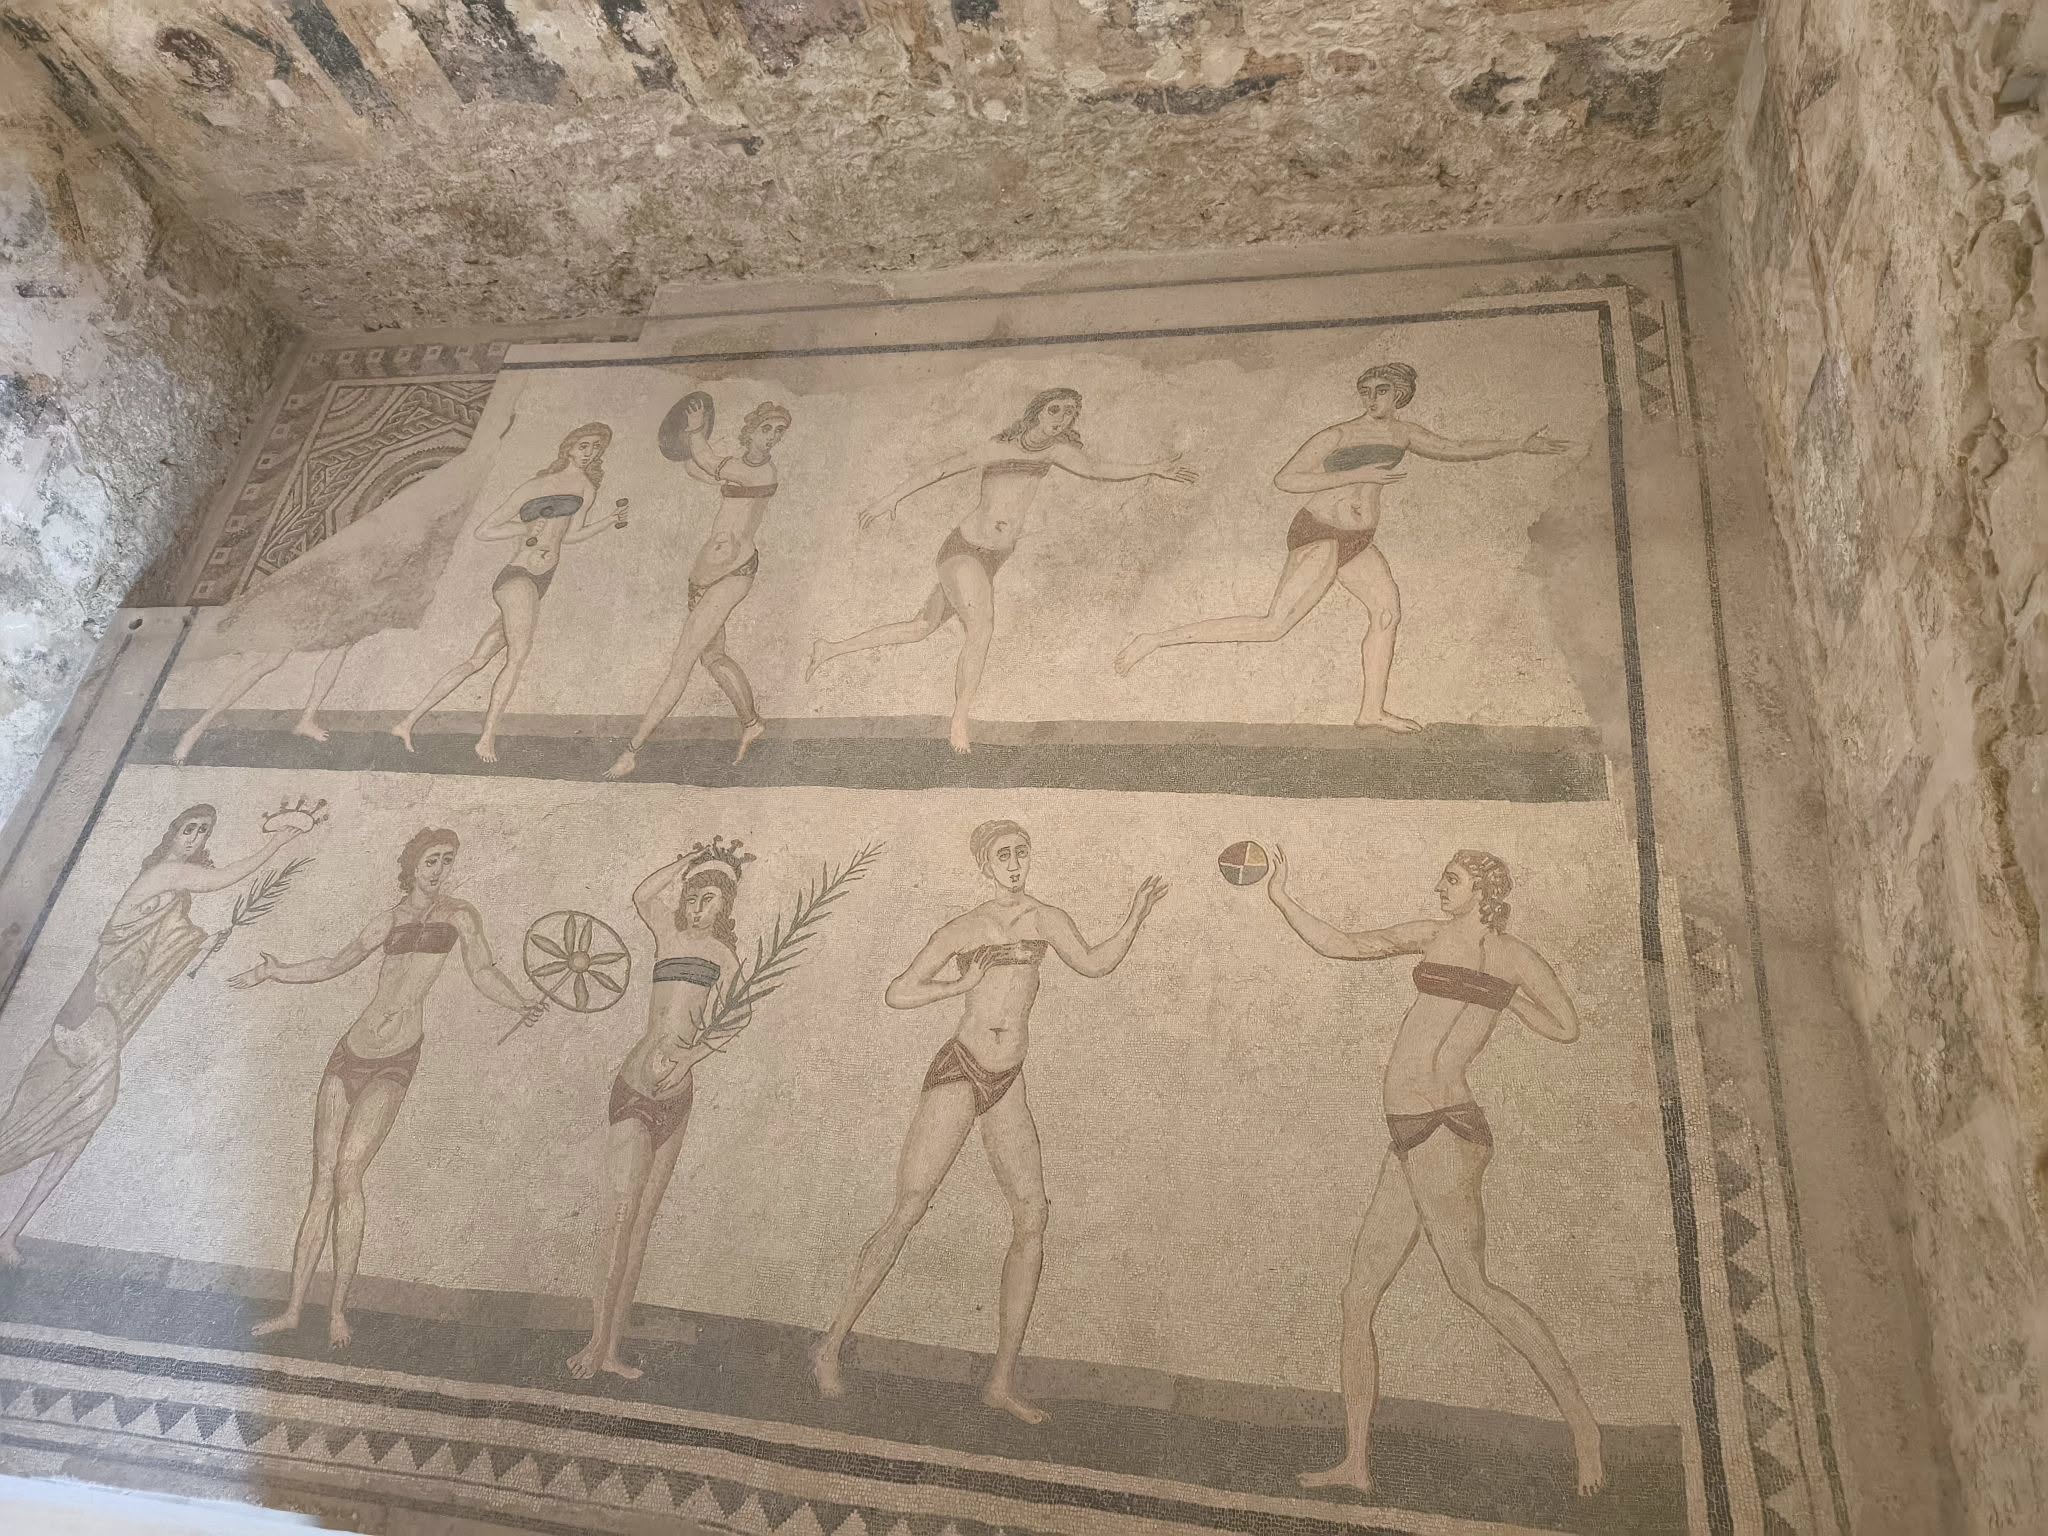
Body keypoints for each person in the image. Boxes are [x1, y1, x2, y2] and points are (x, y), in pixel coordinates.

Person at [1264, 844, 1603, 1496]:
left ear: (1481, 890)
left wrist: (1512, 1003)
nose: (1439, 887)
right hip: (1410, 1136)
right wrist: (1281, 896)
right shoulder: (1431, 935)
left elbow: (1566, 1026)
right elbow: (1344, 944)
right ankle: (1356, 1462)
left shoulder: (1515, 957)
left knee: (1472, 1287)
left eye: (1451, 879)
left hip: (1445, 1131)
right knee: (1358, 1296)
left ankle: (1584, 1429)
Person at [811, 819, 1167, 1423]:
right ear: (985, 864)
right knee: (910, 1206)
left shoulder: (1046, 919)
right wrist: (959, 983)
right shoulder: (965, 928)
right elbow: (898, 992)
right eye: (1004, 855)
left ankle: (1000, 1380)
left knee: (1033, 1214)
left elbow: (1094, 963)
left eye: (1022, 853)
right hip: (960, 1068)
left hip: (1008, 1079)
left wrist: (1134, 916)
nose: (1015, 863)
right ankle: (829, 1346)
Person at [1114, 363, 1569, 731]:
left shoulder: (1403, 434)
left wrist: (1518, 445)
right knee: (1273, 626)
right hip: (1320, 531)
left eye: (1381, 391)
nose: (1372, 398)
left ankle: (1371, 712)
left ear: (1400, 395)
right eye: (1366, 391)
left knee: (1386, 611)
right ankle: (1154, 640)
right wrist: (1357, 475)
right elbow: (1286, 479)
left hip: (1357, 540)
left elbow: (1457, 447)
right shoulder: (1338, 436)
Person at [233, 828, 545, 1348]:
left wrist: (520, 1002)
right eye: (431, 861)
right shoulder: (389, 921)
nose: (440, 869)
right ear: (412, 867)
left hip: (396, 1058)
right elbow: (334, 963)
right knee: (322, 1180)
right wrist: (276, 972)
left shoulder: (460, 916)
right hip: (351, 1052)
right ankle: (292, 1310)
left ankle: (338, 1311)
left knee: (349, 1174)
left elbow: (484, 969)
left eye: (447, 860)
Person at [0, 800, 325, 1264]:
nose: (195, 838)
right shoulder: (161, 875)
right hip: (89, 1013)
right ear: (171, 833)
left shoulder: (172, 894)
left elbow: (164, 952)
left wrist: (203, 946)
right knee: (80, 1113)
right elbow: (222, 878)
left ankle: (10, 1232)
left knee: (75, 1124)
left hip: (106, 1018)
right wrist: (280, 840)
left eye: (203, 831)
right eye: (188, 828)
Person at [807, 388, 1197, 753]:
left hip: (995, 556)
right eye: (1055, 410)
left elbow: (1096, 468)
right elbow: (940, 470)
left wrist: (1153, 468)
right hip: (964, 550)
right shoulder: (997, 448)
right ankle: (960, 718)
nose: (1061, 419)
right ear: (1037, 412)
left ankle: (830, 649)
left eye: (1069, 414)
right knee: (981, 628)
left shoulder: (1055, 453)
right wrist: (889, 500)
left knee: (920, 627)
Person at [171, 397, 533, 764]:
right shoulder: (395, 529)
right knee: (271, 660)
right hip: (329, 592)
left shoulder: (413, 533)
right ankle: (196, 729)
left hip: (354, 593)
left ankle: (307, 718)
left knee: (340, 648)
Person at [568, 838, 751, 1379]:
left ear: (725, 908)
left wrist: (693, 1055)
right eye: (693, 898)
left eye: (709, 900)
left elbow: (738, 1016)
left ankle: (612, 1349)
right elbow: (643, 896)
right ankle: (594, 1342)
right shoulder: (667, 937)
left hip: (678, 1097)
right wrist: (688, 863)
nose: (697, 908)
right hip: (637, 1089)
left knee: (641, 1225)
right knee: (618, 1217)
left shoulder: (723, 957)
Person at [393, 423, 630, 763]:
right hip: (518, 576)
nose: (590, 452)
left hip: (541, 580)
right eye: (584, 445)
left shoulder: (586, 488)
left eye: (596, 447)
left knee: (477, 660)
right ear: (569, 447)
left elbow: (570, 535)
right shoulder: (536, 486)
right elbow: (484, 530)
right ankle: (486, 738)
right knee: (518, 656)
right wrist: (524, 526)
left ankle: (406, 722)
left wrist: (609, 520)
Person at [604, 399, 790, 779]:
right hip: (702, 578)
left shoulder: (762, 471)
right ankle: (751, 723)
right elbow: (695, 466)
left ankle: (631, 750)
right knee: (713, 657)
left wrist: (694, 431)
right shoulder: (739, 468)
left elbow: (706, 460)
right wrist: (690, 437)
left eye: (779, 431)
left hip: (733, 573)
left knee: (682, 661)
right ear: (751, 430)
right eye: (767, 428)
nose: (773, 436)